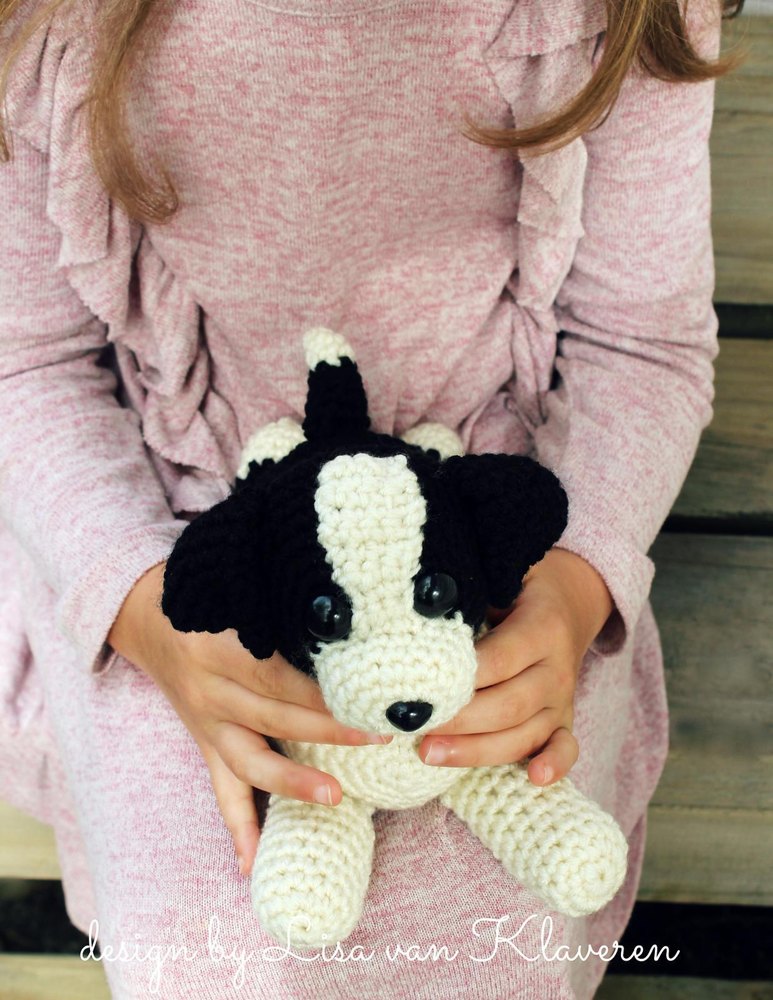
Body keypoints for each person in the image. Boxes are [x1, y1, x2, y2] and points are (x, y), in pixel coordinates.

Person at [0, 0, 741, 996]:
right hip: (168, 541)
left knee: (486, 931)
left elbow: (639, 343)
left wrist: (572, 590)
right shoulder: (44, 21)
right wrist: (141, 607)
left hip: (496, 534)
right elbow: (26, 364)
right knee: (223, 939)